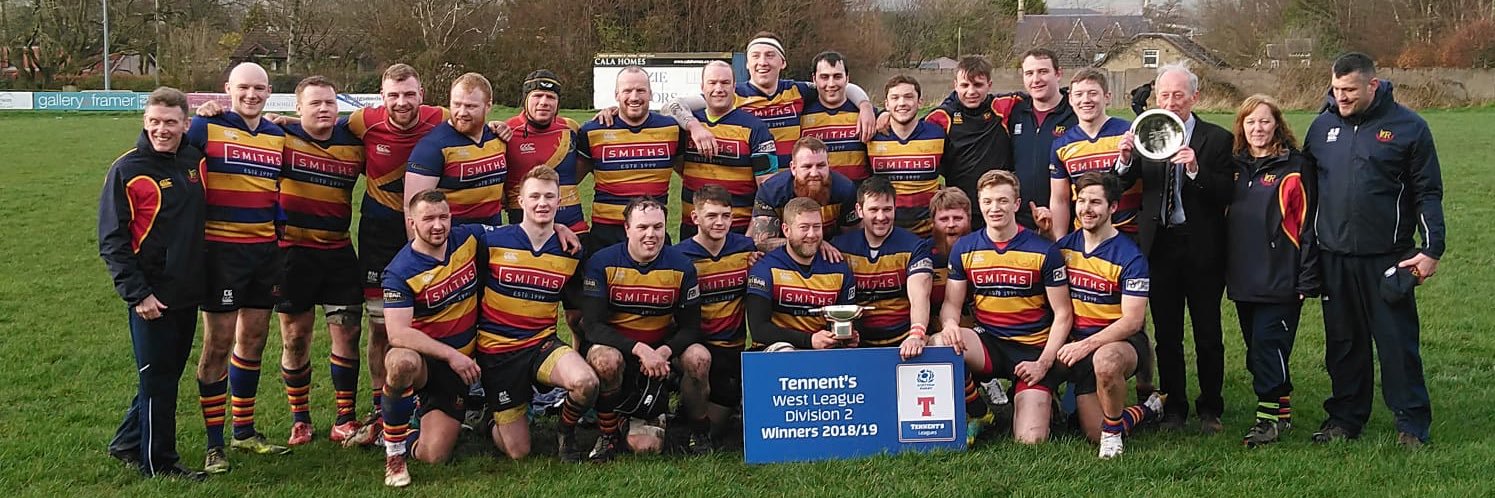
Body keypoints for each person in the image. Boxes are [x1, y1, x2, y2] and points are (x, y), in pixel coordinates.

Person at [1303, 52, 1444, 447]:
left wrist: (1432, 249)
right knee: (1344, 344)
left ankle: (1411, 424)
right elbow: (1307, 192)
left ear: (1373, 85)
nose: (1341, 98)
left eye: (1349, 90)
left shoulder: (1409, 128)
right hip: (1334, 257)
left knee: (1397, 344)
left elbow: (1428, 192)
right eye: (1335, 90)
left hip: (1389, 257)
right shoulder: (1321, 128)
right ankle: (1345, 418)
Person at [1115, 63, 1235, 433]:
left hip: (1201, 247)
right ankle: (1174, 407)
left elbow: (1226, 193)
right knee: (1167, 335)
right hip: (1160, 247)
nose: (1170, 102)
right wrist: (1123, 159)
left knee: (1208, 333)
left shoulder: (1217, 138)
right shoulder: (1147, 133)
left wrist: (1196, 169)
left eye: (1178, 95)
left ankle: (1210, 408)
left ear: (1194, 98)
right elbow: (1118, 185)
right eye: (1164, 95)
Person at [100, 87, 208, 480]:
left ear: (185, 124)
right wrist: (138, 293)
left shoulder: (194, 160)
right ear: (145, 122)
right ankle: (158, 462)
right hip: (151, 296)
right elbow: (112, 241)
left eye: (170, 122)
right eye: (154, 122)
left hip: (187, 291)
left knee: (162, 375)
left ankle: (127, 441)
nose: (162, 130)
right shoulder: (127, 170)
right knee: (159, 380)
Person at [187, 62, 290, 472]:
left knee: (255, 340)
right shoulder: (204, 127)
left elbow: (278, 189)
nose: (251, 95)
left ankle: (243, 431)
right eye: (243, 87)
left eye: (259, 88)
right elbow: (168, 159)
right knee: (217, 343)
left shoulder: (277, 135)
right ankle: (215, 445)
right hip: (221, 253)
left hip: (264, 253)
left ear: (269, 92)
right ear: (227, 88)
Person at [343, 63, 449, 445]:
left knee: (436, 313)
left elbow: (480, 121)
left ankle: (436, 398)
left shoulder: (443, 119)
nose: (401, 103)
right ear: (381, 96)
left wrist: (502, 127)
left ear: (422, 94)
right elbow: (315, 126)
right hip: (379, 230)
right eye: (393, 95)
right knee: (380, 326)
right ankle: (381, 405)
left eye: (409, 94)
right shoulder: (362, 122)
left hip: (428, 230)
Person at [932, 170, 1072, 446]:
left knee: (1030, 440)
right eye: (988, 202)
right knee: (939, 344)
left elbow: (1064, 315)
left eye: (1003, 201)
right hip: (990, 343)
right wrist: (949, 325)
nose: (995, 208)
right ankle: (978, 413)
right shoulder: (965, 248)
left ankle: (1046, 400)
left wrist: (1043, 363)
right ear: (980, 204)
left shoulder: (1043, 250)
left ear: (1016, 204)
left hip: (1033, 348)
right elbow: (951, 305)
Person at [476, 166, 598, 462]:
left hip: (541, 343)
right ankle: (494, 416)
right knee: (518, 452)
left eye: (549, 197)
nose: (542, 203)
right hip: (498, 350)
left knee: (586, 383)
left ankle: (565, 433)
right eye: (534, 196)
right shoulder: (490, 240)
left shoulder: (571, 250)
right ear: (520, 201)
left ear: (560, 201)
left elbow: (576, 309)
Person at [274, 76, 367, 446]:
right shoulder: (281, 137)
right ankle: (301, 419)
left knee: (348, 333)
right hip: (292, 254)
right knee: (295, 338)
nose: (324, 109)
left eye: (329, 102)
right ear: (298, 108)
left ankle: (345, 418)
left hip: (339, 252)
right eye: (315, 104)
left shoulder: (353, 143)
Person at [582, 198, 711, 459]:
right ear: (627, 228)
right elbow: (592, 327)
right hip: (621, 351)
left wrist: (662, 352)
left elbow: (691, 328)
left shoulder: (682, 266)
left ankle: (698, 430)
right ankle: (608, 433)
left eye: (658, 227)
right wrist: (640, 350)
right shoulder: (601, 262)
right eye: (642, 227)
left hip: (659, 359)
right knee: (605, 360)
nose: (651, 234)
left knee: (699, 358)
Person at [1226, 94, 1319, 447]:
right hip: (1243, 278)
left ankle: (1268, 422)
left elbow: (1309, 226)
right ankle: (1282, 410)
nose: (1257, 128)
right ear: (1242, 127)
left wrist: (1307, 277)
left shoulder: (1295, 168)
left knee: (1268, 348)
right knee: (1259, 351)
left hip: (1282, 278)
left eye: (1264, 121)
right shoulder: (1235, 166)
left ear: (1277, 124)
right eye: (1250, 122)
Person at [377, 191, 485, 487]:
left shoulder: (469, 238)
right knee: (399, 361)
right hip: (429, 362)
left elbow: (520, 234)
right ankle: (394, 452)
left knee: (433, 455)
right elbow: (397, 333)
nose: (437, 225)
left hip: (461, 367)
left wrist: (559, 227)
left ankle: (404, 425)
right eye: (428, 219)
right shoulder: (400, 271)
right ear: (412, 223)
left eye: (443, 217)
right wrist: (451, 355)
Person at [1057, 172, 1164, 459]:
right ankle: (1145, 409)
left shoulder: (1131, 257)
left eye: (1096, 202)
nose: (1086, 209)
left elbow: (1132, 321)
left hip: (1119, 343)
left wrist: (1086, 346)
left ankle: (1114, 433)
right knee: (1090, 430)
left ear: (1113, 207)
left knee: (1104, 364)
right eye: (1081, 201)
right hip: (1074, 344)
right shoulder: (1064, 248)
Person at [657, 32, 877, 167]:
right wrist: (693, 126)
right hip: (753, 188)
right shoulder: (731, 93)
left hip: (793, 188)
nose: (762, 62)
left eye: (770, 55)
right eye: (756, 56)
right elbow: (671, 106)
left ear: (782, 62)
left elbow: (840, 86)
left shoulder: (797, 91)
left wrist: (865, 106)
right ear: (747, 63)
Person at [674, 184, 762, 442]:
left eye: (725, 215)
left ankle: (702, 408)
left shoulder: (746, 250)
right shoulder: (680, 256)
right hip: (694, 348)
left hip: (731, 350)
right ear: (695, 218)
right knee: (697, 364)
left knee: (717, 430)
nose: (719, 222)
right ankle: (685, 396)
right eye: (711, 216)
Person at [577, 66, 687, 251]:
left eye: (641, 90)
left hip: (651, 233)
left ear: (651, 94)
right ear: (616, 94)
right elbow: (569, 181)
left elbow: (690, 175)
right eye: (627, 91)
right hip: (606, 235)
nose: (634, 97)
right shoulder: (592, 130)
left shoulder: (672, 130)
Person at [830, 176, 934, 358]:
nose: (881, 217)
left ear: (895, 208)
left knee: (941, 344)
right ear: (859, 210)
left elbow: (920, 297)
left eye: (887, 209)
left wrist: (916, 335)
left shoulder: (915, 246)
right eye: (873, 209)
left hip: (904, 340)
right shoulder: (840, 247)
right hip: (856, 340)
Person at [679, 61, 778, 239]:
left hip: (737, 230)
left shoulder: (756, 129)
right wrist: (694, 127)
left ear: (734, 87)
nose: (719, 88)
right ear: (702, 87)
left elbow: (768, 187)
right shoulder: (686, 125)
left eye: (725, 83)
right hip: (692, 229)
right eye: (712, 82)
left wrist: (752, 235)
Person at [746, 197, 858, 350]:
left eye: (817, 227)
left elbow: (846, 319)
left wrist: (847, 337)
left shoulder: (839, 268)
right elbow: (759, 330)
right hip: (776, 351)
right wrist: (809, 340)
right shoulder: (765, 268)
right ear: (786, 230)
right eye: (804, 227)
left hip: (822, 350)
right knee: (785, 351)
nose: (811, 234)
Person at [1047, 68, 1141, 242]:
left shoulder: (1130, 132)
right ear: (1071, 99)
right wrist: (1059, 243)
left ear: (1107, 97)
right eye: (1079, 94)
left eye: (1093, 93)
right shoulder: (1062, 145)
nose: (1086, 100)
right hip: (1086, 235)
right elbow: (1060, 200)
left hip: (1130, 232)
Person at [921, 56, 1015, 230]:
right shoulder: (941, 117)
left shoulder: (1003, 106)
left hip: (999, 207)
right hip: (961, 209)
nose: (971, 91)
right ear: (955, 85)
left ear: (990, 84)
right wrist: (884, 116)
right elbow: (910, 129)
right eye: (964, 85)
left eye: (978, 85)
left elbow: (1045, 98)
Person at [404, 72, 508, 226]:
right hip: (453, 240)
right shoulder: (431, 147)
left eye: (470, 106)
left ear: (488, 106)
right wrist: (420, 250)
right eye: (456, 104)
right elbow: (412, 209)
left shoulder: (498, 137)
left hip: (492, 238)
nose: (462, 112)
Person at [992, 48, 1076, 232]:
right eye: (1029, 73)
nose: (1036, 79)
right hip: (1020, 222)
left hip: (1065, 220)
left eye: (1043, 72)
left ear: (1058, 73)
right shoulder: (1016, 112)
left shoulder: (1075, 114)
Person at [503, 69, 589, 235]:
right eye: (537, 96)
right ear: (525, 99)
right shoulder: (506, 131)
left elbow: (588, 161)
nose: (544, 102)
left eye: (551, 97)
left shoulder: (571, 128)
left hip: (574, 227)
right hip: (528, 230)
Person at [868, 75, 947, 238]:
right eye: (895, 98)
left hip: (929, 233)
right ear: (886, 104)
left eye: (909, 97)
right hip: (885, 232)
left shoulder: (938, 134)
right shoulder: (871, 136)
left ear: (920, 102)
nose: (902, 103)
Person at [750, 136, 860, 252]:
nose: (814, 173)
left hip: (832, 254)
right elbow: (762, 242)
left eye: (821, 165)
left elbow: (852, 237)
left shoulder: (845, 189)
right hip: (784, 256)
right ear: (793, 168)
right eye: (807, 166)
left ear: (828, 165)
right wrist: (814, 242)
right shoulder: (770, 192)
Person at [800, 51, 871, 183]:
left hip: (857, 195)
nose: (831, 84)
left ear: (847, 78)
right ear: (814, 79)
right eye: (824, 77)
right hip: (816, 196)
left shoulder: (865, 114)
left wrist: (881, 113)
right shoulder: (801, 113)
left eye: (837, 76)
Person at [927, 188, 975, 328]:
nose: (951, 224)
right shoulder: (922, 253)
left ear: (969, 219)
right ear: (933, 222)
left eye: (958, 218)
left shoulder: (983, 247)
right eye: (944, 219)